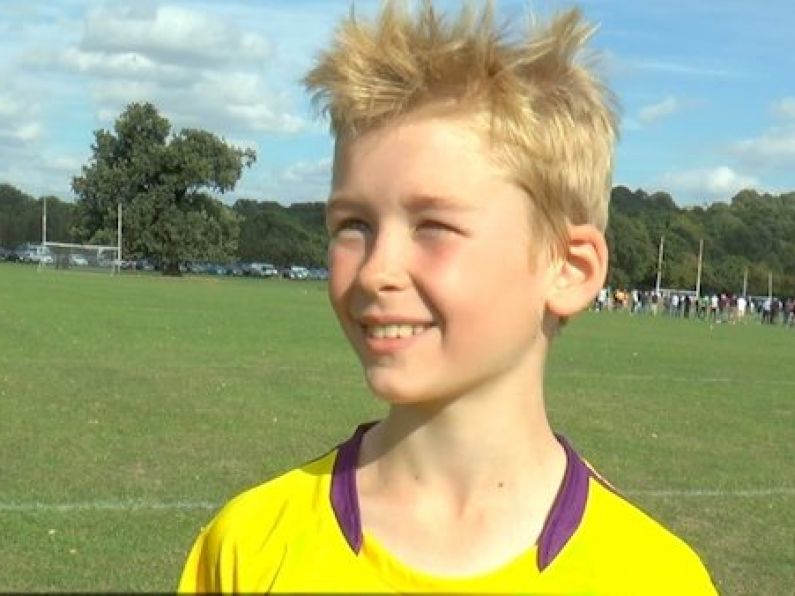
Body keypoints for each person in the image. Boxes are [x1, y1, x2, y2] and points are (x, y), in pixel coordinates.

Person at [178, 2, 716, 593]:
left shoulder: (654, 575)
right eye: (352, 225)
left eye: (433, 226)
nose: (376, 271)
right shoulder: (248, 547)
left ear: (569, 267)